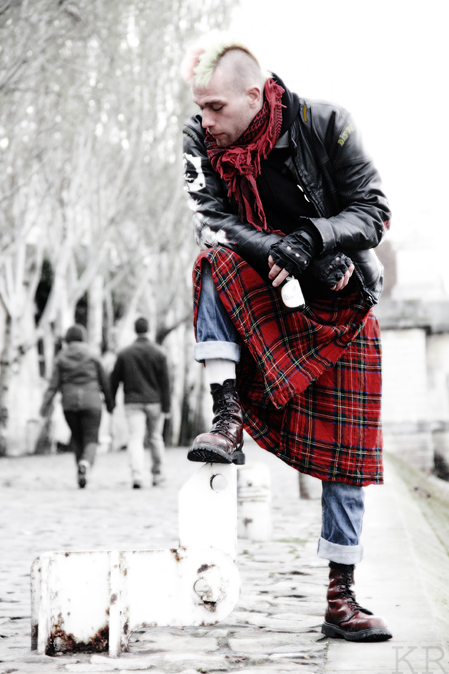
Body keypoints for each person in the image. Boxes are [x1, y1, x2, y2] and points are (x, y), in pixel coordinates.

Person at [182, 35, 392, 642]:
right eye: (200, 107)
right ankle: (227, 419)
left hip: (342, 295)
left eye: (216, 107)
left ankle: (341, 597)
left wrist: (313, 240)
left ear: (254, 95)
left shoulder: (326, 124)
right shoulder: (200, 140)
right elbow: (212, 220)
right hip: (266, 281)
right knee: (213, 261)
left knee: (348, 451)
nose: (205, 119)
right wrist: (282, 250)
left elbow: (374, 211)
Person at [40, 324, 114, 488]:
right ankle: (85, 464)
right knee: (91, 437)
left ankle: (80, 472)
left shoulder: (61, 358)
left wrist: (44, 407)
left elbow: (53, 386)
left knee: (77, 437)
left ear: (67, 339)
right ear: (83, 337)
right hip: (92, 402)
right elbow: (105, 382)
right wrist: (110, 404)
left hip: (69, 404)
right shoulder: (93, 356)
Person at [110, 317, 171, 489]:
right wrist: (167, 407)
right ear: (148, 329)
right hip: (155, 402)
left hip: (133, 402)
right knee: (155, 438)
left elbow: (114, 380)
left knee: (135, 438)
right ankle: (158, 475)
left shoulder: (124, 354)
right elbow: (165, 383)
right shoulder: (159, 353)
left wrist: (111, 402)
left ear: (135, 330)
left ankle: (137, 475)